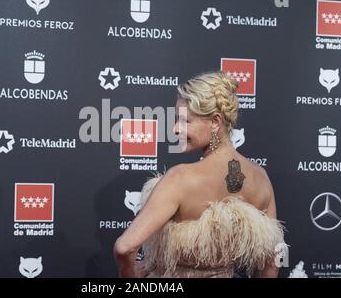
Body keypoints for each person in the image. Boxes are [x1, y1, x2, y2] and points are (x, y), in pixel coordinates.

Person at [113, 71, 285, 278]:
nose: (176, 129)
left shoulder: (180, 178)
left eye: (185, 121)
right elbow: (274, 261)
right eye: (176, 120)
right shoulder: (260, 178)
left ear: (215, 122)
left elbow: (124, 248)